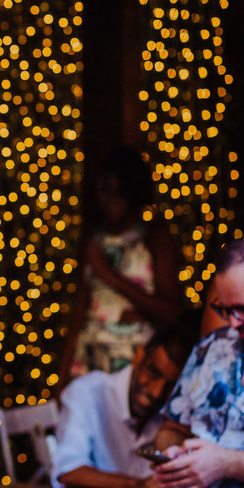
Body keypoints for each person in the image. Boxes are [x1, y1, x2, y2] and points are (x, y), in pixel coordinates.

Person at [56, 236, 244, 488]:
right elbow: (173, 427)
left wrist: (226, 462)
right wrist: (171, 453)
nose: (233, 322)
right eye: (224, 309)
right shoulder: (212, 348)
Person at [51, 322, 197, 488]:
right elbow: (69, 471)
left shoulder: (177, 414)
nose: (157, 393)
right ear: (139, 356)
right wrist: (138, 485)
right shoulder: (87, 392)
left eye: (171, 386)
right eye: (153, 372)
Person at [65, 146, 181, 379]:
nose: (106, 201)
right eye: (102, 191)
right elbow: (80, 314)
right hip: (90, 360)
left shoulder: (154, 237)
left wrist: (107, 274)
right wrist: (60, 383)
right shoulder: (95, 240)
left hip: (132, 363)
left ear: (131, 193)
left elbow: (170, 312)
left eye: (113, 192)